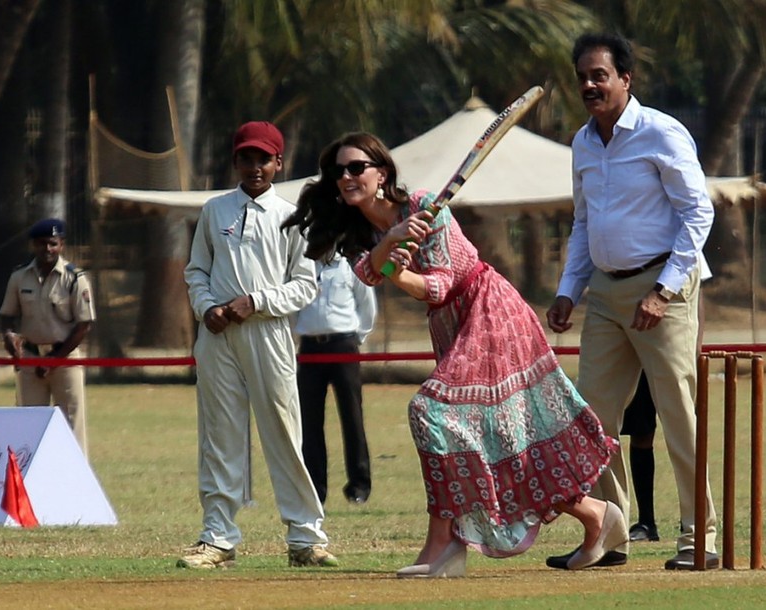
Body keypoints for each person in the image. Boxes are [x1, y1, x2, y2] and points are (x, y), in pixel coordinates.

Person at [282, 131, 624, 578]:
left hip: (489, 309)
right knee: (502, 436)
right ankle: (597, 515)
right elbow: (369, 273)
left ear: (381, 173)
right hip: (450, 323)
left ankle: (443, 544)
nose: (346, 177)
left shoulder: (425, 204)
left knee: (430, 411)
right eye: (338, 171)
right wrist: (394, 243)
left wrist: (400, 261)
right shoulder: (359, 230)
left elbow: (442, 284)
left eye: (356, 168)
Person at [546, 32, 718, 570]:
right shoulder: (582, 142)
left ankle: (701, 539)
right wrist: (567, 290)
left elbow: (699, 213)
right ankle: (610, 533)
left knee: (677, 415)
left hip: (661, 288)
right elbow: (584, 222)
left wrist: (664, 291)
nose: (590, 85)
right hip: (604, 292)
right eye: (582, 77)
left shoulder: (660, 132)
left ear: (626, 79)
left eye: (600, 75)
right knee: (593, 419)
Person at [180, 121, 337, 570]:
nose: (255, 167)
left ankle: (306, 538)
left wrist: (258, 302)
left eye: (264, 159)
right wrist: (206, 306)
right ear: (235, 162)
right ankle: (217, 539)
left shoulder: (291, 217)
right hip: (217, 336)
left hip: (269, 334)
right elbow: (196, 271)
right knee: (220, 436)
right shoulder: (214, 211)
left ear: (278, 163)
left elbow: (305, 286)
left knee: (284, 433)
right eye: (247, 159)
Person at [623, 260, 711, 544]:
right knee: (641, 434)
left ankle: (695, 524)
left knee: (683, 435)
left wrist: (694, 349)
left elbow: (697, 295)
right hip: (638, 348)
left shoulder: (684, 240)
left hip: (674, 346)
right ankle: (646, 522)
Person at [0, 218, 95, 455]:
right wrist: (9, 335)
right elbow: (7, 315)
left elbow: (83, 325)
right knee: (27, 425)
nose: (47, 249)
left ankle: (74, 481)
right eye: (42, 244)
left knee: (72, 425)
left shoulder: (74, 278)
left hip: (66, 359)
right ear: (33, 245)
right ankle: (28, 482)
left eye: (53, 243)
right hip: (30, 359)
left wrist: (54, 359)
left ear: (61, 244)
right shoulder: (20, 277)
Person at [294, 253, 377, 505]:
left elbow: (367, 306)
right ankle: (315, 488)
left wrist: (356, 338)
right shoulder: (301, 266)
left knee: (352, 416)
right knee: (309, 421)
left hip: (343, 344)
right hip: (310, 346)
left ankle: (359, 485)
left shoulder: (350, 265)